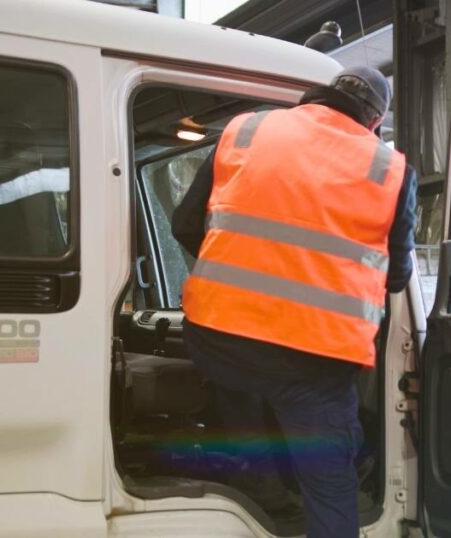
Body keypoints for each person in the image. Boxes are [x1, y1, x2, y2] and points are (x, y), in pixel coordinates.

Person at [171, 66, 417, 538]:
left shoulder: (248, 128)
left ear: (316, 97)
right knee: (329, 483)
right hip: (313, 361)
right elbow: (398, 276)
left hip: (218, 338)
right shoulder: (388, 167)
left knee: (239, 382)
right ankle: (290, 494)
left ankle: (261, 481)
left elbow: (185, 222)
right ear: (375, 122)